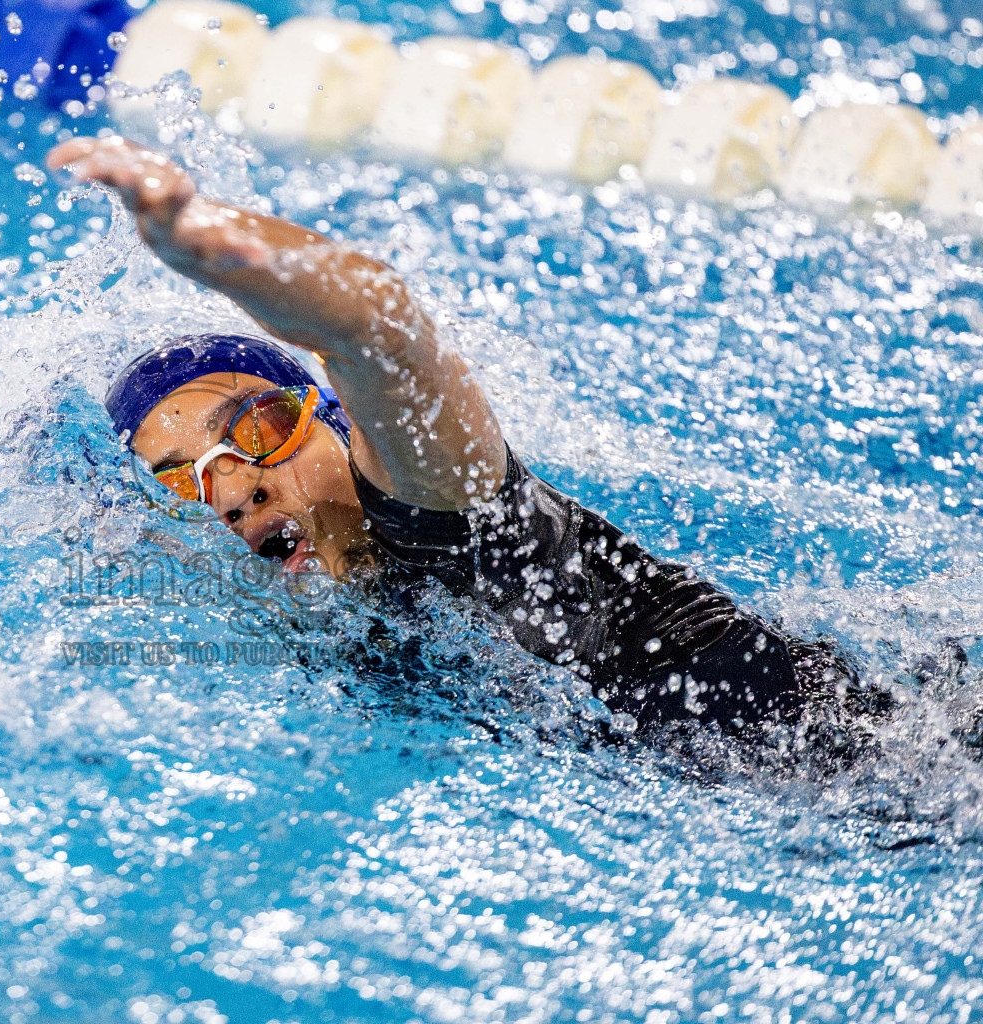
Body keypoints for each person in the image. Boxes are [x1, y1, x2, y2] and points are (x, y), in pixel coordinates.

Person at [45, 134, 872, 744]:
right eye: (183, 480)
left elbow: (381, 329)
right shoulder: (320, 605)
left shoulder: (449, 519)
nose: (233, 490)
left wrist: (210, 246)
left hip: (865, 756)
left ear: (335, 417)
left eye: (258, 430)